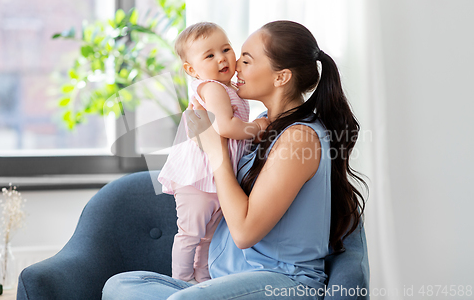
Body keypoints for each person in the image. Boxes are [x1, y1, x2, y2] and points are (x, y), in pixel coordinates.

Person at [102, 20, 367, 300]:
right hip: (227, 279)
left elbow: (243, 233)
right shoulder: (261, 125)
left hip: (282, 281)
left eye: (247, 60)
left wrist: (216, 151)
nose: (235, 64)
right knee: (120, 285)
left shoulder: (299, 139)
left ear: (281, 77)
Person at [157, 22, 270, 284]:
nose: (222, 58)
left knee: (209, 236)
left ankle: (202, 281)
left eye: (226, 49)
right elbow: (225, 126)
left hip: (219, 180)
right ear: (191, 69)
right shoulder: (212, 88)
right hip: (198, 178)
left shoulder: (232, 89)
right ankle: (181, 283)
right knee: (190, 234)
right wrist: (257, 127)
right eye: (209, 55)